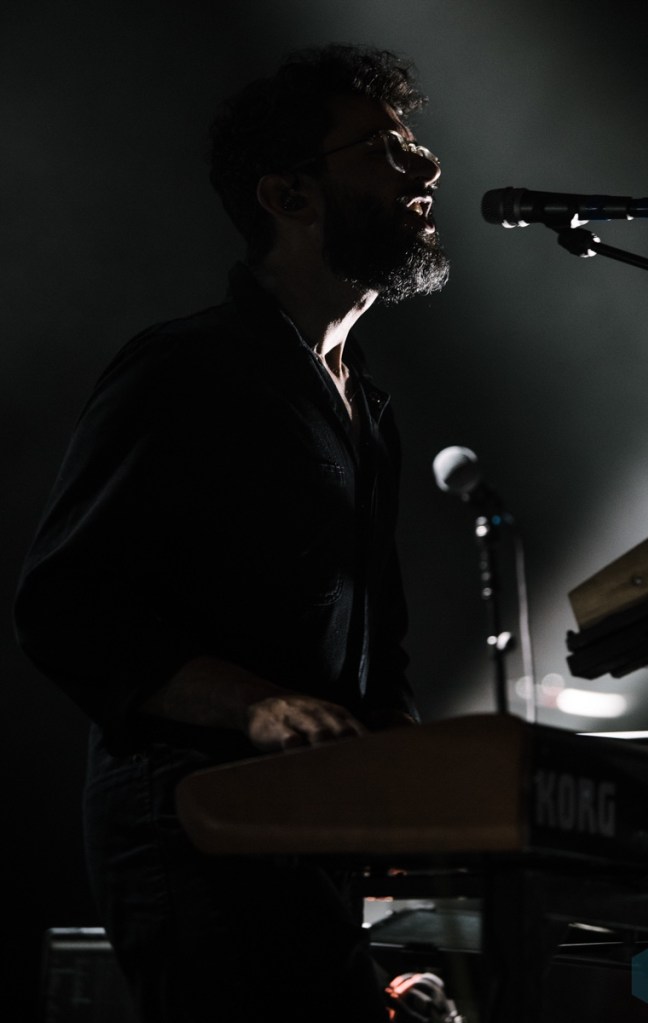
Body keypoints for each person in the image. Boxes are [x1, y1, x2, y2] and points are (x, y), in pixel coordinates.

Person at [14, 43, 456, 1023]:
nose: (424, 166)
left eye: (413, 145)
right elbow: (65, 604)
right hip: (191, 827)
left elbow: (379, 649)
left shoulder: (368, 410)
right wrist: (256, 705)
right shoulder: (188, 368)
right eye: (384, 149)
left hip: (307, 837)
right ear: (288, 195)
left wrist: (418, 772)